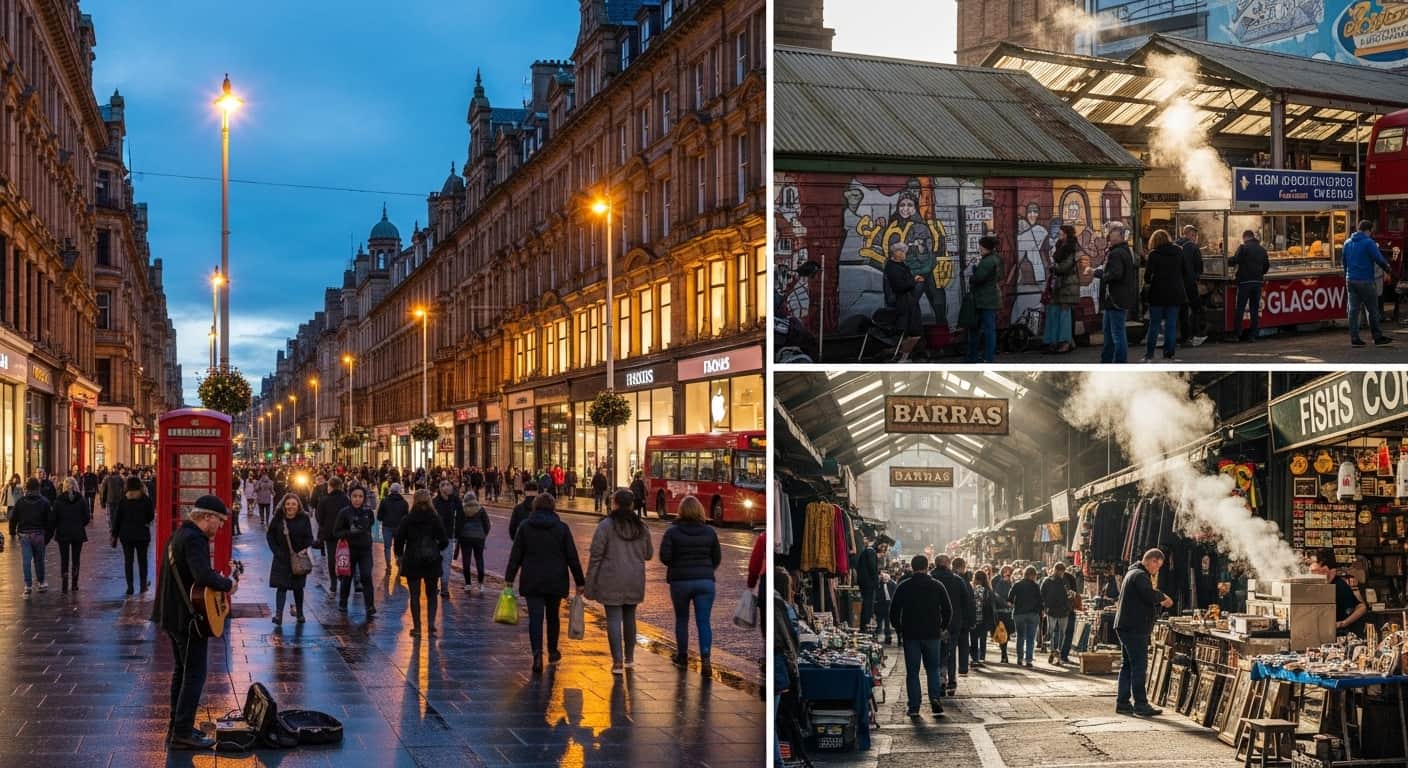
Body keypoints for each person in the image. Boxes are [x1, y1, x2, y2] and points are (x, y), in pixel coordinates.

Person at [505, 493, 586, 674]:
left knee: (535, 618)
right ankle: (552, 651)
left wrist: (509, 578)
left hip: (532, 579)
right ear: (553, 507)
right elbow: (572, 557)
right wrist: (580, 581)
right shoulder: (562, 528)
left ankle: (536, 656)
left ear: (535, 507)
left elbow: (515, 555)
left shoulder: (525, 527)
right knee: (552, 617)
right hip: (555, 580)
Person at [586, 489, 655, 674]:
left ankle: (617, 662)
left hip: (611, 578)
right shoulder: (641, 527)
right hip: (634, 579)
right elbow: (649, 554)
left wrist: (589, 583)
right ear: (632, 505)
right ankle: (630, 658)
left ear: (614, 503)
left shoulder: (605, 526)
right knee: (630, 618)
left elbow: (595, 556)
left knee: (613, 619)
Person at [659, 495, 722, 672]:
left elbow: (665, 557)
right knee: (704, 622)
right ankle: (706, 659)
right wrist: (707, 569)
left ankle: (682, 656)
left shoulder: (672, 532)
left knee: (682, 619)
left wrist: (676, 564)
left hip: (680, 581)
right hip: (705, 581)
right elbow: (716, 558)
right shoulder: (710, 532)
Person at [888, 554, 953, 717]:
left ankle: (914, 707)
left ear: (912, 566)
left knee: (913, 672)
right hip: (932, 634)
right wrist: (942, 627)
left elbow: (894, 610)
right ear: (926, 567)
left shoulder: (904, 586)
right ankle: (935, 699)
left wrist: (899, 628)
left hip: (911, 634)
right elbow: (948, 610)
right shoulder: (937, 585)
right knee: (933, 669)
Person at [1114, 548, 1173, 717]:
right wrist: (1163, 598)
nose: (1157, 570)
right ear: (1152, 561)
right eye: (1158, 566)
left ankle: (1123, 703)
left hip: (1126, 626)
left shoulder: (1133, 572)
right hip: (1134, 628)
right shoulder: (1140, 575)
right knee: (1139, 666)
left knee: (1128, 665)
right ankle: (1141, 704)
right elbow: (1148, 594)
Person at [393, 489, 450, 637]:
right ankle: (431, 626)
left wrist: (399, 555)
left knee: (415, 595)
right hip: (431, 560)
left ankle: (417, 627)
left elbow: (399, 538)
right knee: (431, 595)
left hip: (412, 559)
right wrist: (436, 548)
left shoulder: (408, 519)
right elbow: (444, 540)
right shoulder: (435, 518)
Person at [1344, 219, 1395, 347]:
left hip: (1350, 280)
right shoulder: (1368, 242)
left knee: (1353, 310)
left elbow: (1344, 263)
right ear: (1368, 230)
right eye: (1371, 231)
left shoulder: (1347, 243)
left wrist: (1348, 275)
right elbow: (1378, 258)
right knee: (1373, 309)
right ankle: (1377, 337)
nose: (1371, 234)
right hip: (1366, 280)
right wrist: (1388, 269)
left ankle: (1354, 338)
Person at [1142, 229, 1190, 362]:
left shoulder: (1153, 254)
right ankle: (1169, 354)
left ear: (1154, 241)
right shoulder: (1179, 251)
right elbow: (1185, 272)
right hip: (1175, 293)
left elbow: (1147, 277)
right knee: (1171, 325)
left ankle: (1149, 355)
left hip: (1158, 293)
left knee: (1154, 325)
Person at [266, 493, 314, 626]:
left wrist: (304, 549)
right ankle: (278, 615)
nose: (290, 506)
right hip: (281, 558)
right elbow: (270, 535)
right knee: (281, 587)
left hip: (298, 558)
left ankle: (300, 613)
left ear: (298, 505)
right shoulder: (278, 518)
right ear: (284, 505)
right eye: (288, 504)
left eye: (293, 504)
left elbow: (309, 537)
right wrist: (276, 551)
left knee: (298, 588)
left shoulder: (304, 518)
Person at [332, 485, 377, 618]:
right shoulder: (344, 512)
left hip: (365, 550)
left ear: (364, 498)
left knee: (366, 576)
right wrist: (348, 532)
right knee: (347, 578)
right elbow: (336, 532)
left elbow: (370, 525)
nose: (357, 499)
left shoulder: (368, 512)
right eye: (355, 496)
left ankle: (369, 606)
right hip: (349, 550)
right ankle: (343, 602)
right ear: (350, 497)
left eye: (360, 496)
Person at [1097, 222, 1137, 363]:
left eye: (1113, 233)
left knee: (1116, 334)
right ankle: (1107, 361)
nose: (1110, 235)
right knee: (1109, 334)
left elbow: (1116, 274)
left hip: (1115, 299)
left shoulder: (1117, 253)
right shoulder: (1124, 251)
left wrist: (1099, 274)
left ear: (1120, 236)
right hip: (1114, 300)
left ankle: (1119, 363)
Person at [930, 554, 969, 691]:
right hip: (954, 622)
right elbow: (966, 601)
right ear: (948, 564)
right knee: (950, 651)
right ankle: (951, 679)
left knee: (935, 652)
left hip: (933, 622)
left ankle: (939, 678)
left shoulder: (930, 579)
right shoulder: (957, 580)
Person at [1308, 547, 1367, 636]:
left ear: (1325, 568)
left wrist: (1343, 623)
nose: (1311, 572)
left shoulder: (1339, 585)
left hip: (1338, 635)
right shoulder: (1320, 585)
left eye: (1314, 570)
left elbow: (1361, 607)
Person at [112, 475, 155, 595]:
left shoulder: (123, 501)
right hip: (142, 534)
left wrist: (114, 535)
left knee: (128, 561)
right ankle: (142, 585)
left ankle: (130, 587)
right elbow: (151, 516)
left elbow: (117, 520)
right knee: (142, 561)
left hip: (126, 535)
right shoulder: (146, 500)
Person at [10, 478, 54, 595]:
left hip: (24, 534)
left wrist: (12, 532)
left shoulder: (20, 502)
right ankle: (41, 582)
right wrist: (47, 537)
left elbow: (13, 518)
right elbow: (49, 522)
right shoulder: (44, 502)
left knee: (26, 560)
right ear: (38, 488)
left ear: (26, 488)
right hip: (39, 534)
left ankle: (28, 585)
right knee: (39, 560)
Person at [1043, 225, 1081, 354]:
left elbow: (1065, 267)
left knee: (1064, 313)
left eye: (1061, 232)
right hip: (1059, 285)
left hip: (1068, 285)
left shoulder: (1071, 248)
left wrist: (1054, 267)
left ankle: (1065, 342)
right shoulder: (1060, 246)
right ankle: (1053, 341)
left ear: (1066, 235)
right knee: (1053, 311)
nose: (1059, 234)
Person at [964, 235, 1002, 364]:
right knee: (986, 329)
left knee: (984, 329)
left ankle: (981, 357)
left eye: (980, 246)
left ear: (986, 247)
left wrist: (972, 274)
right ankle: (984, 356)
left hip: (985, 299)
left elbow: (979, 278)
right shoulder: (994, 259)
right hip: (988, 299)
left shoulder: (987, 261)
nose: (979, 248)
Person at [885, 241, 923, 362]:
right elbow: (899, 286)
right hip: (904, 304)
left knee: (909, 333)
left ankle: (902, 356)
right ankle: (903, 357)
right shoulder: (893, 268)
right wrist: (914, 280)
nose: (905, 255)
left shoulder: (898, 266)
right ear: (897, 253)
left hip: (908, 302)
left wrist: (913, 279)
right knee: (914, 333)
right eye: (903, 252)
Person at [1229, 229, 1270, 342]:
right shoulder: (1262, 250)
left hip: (1244, 282)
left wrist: (1226, 259)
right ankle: (1253, 335)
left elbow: (1235, 260)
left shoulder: (1243, 248)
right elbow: (1266, 266)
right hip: (1257, 282)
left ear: (1245, 237)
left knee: (1240, 308)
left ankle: (1237, 334)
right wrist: (1259, 274)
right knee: (1254, 309)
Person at [52, 477, 89, 594]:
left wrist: (57, 526)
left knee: (64, 559)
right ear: (76, 486)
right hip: (77, 532)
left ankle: (64, 585)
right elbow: (86, 517)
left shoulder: (58, 501)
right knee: (76, 559)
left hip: (63, 533)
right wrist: (80, 524)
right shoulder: (81, 500)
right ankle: (74, 584)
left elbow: (54, 519)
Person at [315, 476, 350, 600]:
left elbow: (319, 517)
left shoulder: (324, 500)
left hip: (330, 534)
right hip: (344, 534)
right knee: (343, 557)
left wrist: (324, 527)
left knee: (331, 559)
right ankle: (343, 581)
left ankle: (333, 586)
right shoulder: (346, 499)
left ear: (330, 486)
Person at [1175, 225, 1205, 345]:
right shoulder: (1193, 247)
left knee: (1182, 310)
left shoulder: (1175, 245)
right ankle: (1196, 335)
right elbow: (1199, 266)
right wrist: (1197, 277)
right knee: (1196, 309)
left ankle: (1183, 337)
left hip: (1177, 283)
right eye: (1193, 235)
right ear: (1187, 234)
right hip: (1189, 283)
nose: (1195, 238)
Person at [455, 491, 490, 592]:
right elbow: (487, 525)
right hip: (479, 537)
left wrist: (458, 535)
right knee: (479, 559)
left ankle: (468, 584)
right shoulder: (481, 509)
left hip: (465, 537)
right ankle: (481, 584)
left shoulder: (462, 509)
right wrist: (483, 534)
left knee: (466, 560)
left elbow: (458, 524)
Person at [432, 481, 463, 598]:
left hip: (448, 537)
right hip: (437, 538)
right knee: (439, 562)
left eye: (448, 485)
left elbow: (461, 518)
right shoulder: (435, 502)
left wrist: (458, 533)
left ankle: (444, 587)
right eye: (444, 485)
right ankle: (438, 586)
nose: (446, 487)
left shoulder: (455, 501)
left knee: (444, 562)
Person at [1039, 563, 1073, 665]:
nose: (1061, 573)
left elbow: (1069, 594)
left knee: (1056, 632)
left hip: (1060, 611)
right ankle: (1054, 651)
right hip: (1055, 611)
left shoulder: (1063, 581)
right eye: (1060, 571)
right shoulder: (1048, 581)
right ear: (1056, 570)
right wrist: (1045, 607)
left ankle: (1056, 652)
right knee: (1054, 632)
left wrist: (1068, 606)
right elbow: (1042, 594)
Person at [1009, 566, 1043, 667]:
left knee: (1020, 637)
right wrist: (1040, 612)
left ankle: (1019, 658)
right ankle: (1028, 660)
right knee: (1030, 638)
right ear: (1033, 575)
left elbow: (1010, 599)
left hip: (1019, 614)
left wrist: (1015, 604)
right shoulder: (1035, 586)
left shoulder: (1017, 584)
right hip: (1032, 614)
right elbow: (1040, 601)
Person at [375, 482, 408, 573]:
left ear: (390, 490)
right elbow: (406, 517)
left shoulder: (384, 501)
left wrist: (384, 518)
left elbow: (379, 516)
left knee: (387, 547)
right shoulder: (404, 503)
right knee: (399, 546)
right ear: (399, 491)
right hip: (399, 528)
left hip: (387, 527)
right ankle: (399, 562)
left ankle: (388, 566)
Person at [856, 535, 881, 636]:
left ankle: (864, 627)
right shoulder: (870, 552)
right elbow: (872, 569)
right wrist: (876, 582)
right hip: (868, 584)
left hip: (865, 583)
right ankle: (865, 627)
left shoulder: (867, 551)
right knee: (868, 606)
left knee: (867, 605)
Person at [971, 570, 996, 666]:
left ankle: (974, 658)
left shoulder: (971, 589)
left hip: (973, 618)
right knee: (983, 639)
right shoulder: (988, 591)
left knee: (973, 639)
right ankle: (982, 657)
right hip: (984, 618)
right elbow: (991, 605)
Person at [991, 564, 1014, 663]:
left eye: (1009, 572)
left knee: (1007, 633)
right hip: (1000, 612)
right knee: (1001, 632)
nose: (1007, 573)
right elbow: (996, 595)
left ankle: (1004, 652)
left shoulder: (1011, 583)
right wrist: (1006, 603)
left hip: (1008, 612)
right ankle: (1004, 653)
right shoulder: (999, 582)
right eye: (1005, 571)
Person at [875, 570, 897, 644]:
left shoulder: (893, 584)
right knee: (879, 622)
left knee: (887, 622)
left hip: (889, 604)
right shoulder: (878, 584)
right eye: (883, 579)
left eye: (886, 579)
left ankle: (888, 637)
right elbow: (876, 594)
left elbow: (894, 593)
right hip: (880, 604)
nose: (885, 580)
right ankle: (877, 636)